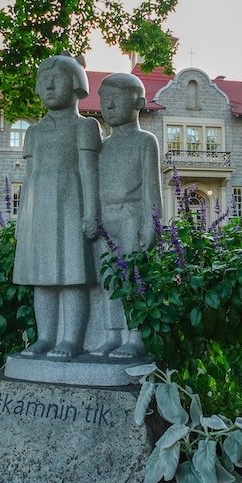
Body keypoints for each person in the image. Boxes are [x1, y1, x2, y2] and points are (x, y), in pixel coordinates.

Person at [12, 54, 102, 359]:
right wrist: (22, 219)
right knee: (43, 278)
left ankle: (72, 339)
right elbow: (28, 177)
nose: (49, 85)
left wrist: (91, 211)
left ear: (76, 85)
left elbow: (90, 171)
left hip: (71, 206)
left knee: (73, 274)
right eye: (42, 80)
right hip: (38, 210)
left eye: (57, 79)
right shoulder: (33, 132)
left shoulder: (85, 126)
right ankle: (46, 337)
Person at [91, 73, 161, 358]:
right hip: (105, 219)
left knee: (132, 278)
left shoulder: (146, 141)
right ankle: (112, 335)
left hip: (132, 215)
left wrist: (151, 222)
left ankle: (134, 336)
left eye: (116, 100)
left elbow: (152, 187)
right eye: (104, 100)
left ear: (139, 102)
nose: (109, 106)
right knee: (107, 280)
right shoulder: (102, 146)